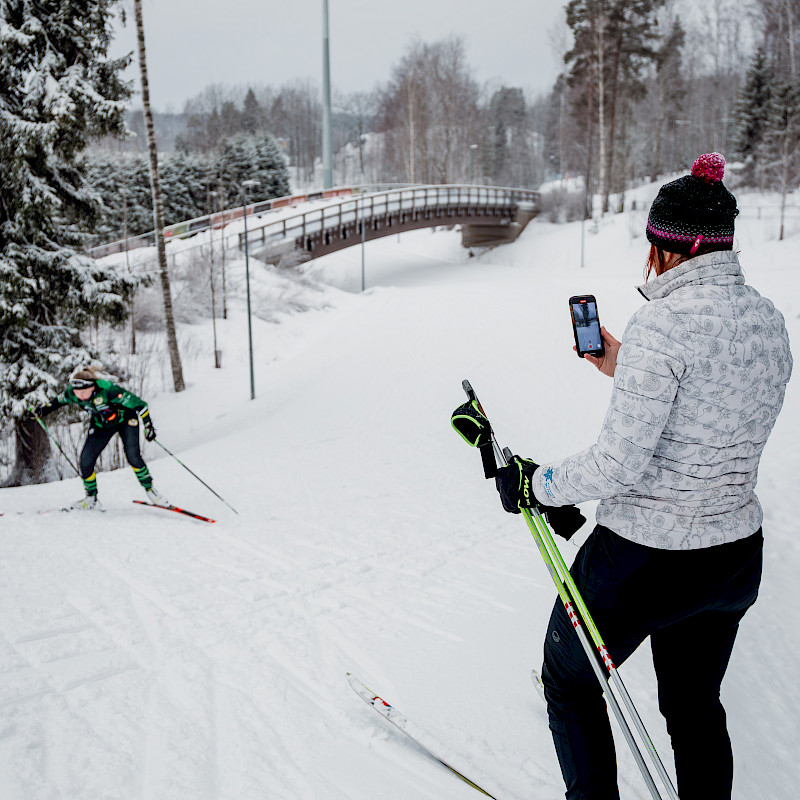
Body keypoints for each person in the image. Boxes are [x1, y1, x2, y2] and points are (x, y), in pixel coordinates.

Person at [495, 153, 792, 800]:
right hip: (734, 559)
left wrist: (534, 484)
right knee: (694, 708)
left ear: (670, 247)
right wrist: (622, 365)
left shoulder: (662, 324)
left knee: (570, 683)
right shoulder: (768, 322)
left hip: (646, 561)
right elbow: (715, 401)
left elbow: (617, 465)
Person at [34, 367, 168, 510]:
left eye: (84, 392)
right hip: (101, 424)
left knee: (133, 456)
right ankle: (91, 498)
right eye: (77, 392)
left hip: (126, 420)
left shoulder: (108, 389)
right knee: (86, 460)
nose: (80, 396)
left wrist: (149, 426)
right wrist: (43, 410)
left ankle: (151, 491)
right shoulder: (72, 393)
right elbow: (57, 402)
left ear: (92, 387)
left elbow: (140, 405)